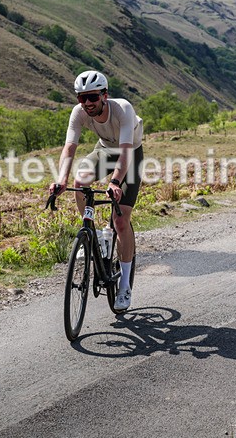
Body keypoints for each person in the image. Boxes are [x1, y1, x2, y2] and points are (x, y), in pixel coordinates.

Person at [48, 70, 144, 313]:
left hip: (129, 153)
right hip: (104, 150)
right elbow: (69, 148)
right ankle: (92, 234)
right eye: (82, 98)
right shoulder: (78, 112)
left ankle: (124, 286)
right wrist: (61, 180)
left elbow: (124, 153)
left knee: (120, 220)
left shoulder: (122, 109)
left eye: (92, 97)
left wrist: (115, 182)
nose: (87, 103)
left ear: (104, 95)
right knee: (80, 183)